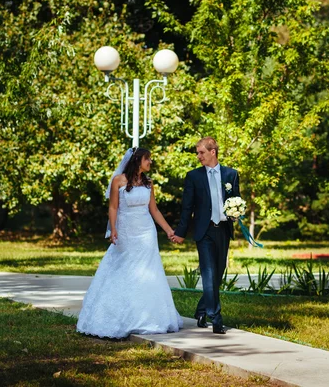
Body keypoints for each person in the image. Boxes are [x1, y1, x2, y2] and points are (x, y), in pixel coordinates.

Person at [77, 147, 183, 339]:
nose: (150, 162)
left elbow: (155, 210)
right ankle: (117, 315)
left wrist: (169, 231)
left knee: (148, 270)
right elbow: (113, 206)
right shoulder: (119, 180)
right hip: (126, 230)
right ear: (137, 161)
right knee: (124, 269)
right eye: (147, 159)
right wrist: (114, 228)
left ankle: (150, 317)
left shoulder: (149, 183)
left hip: (146, 232)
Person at [172, 137, 240, 334]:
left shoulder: (231, 174)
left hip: (224, 230)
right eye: (197, 152)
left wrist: (235, 213)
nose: (198, 156)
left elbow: (236, 199)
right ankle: (215, 317)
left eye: (201, 152)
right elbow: (187, 207)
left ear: (213, 152)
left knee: (217, 276)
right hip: (204, 230)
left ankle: (201, 311)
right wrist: (181, 233)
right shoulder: (193, 176)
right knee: (208, 274)